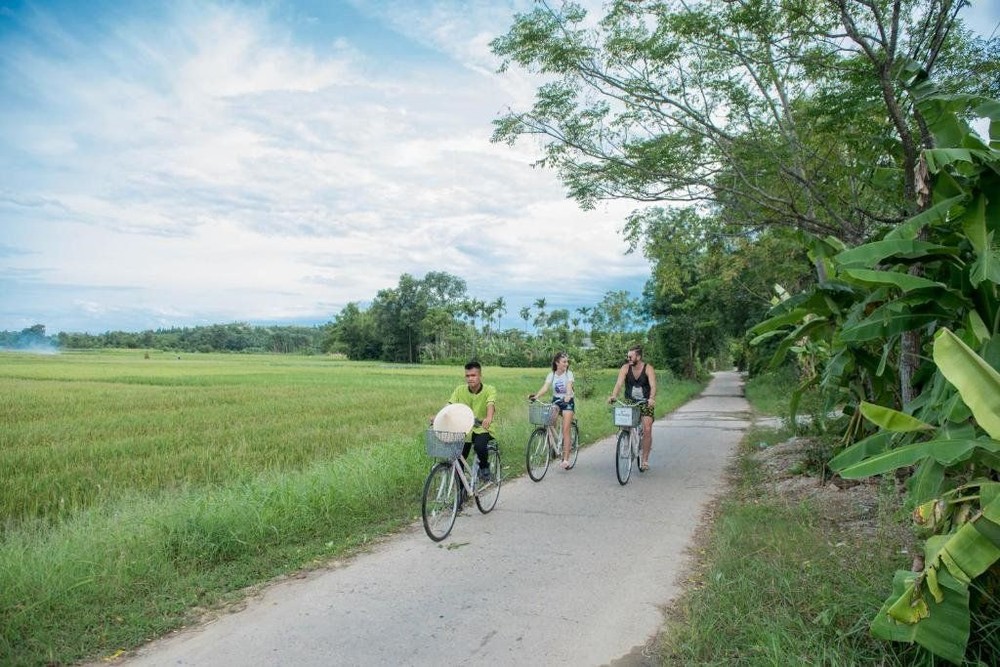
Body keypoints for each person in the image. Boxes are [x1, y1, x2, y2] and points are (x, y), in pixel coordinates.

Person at [607, 344, 657, 471]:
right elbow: (618, 383)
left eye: (631, 356)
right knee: (624, 424)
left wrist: (651, 398)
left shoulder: (648, 368)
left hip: (645, 402)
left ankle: (644, 460)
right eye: (628, 356)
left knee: (647, 428)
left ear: (638, 357)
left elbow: (653, 385)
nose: (628, 358)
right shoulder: (625, 368)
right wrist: (613, 395)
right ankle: (625, 441)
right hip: (630, 401)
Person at [447, 360, 497, 482]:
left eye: (473, 375)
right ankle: (461, 492)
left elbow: (490, 404)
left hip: (482, 427)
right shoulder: (459, 390)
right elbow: (449, 405)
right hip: (465, 429)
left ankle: (484, 468)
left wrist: (489, 417)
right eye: (467, 376)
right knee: (459, 458)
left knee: (480, 447)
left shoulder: (490, 390)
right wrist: (440, 416)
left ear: (480, 376)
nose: (470, 378)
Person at [528, 351, 575, 469]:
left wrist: (568, 395)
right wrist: (537, 396)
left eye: (567, 362)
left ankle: (566, 459)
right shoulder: (552, 375)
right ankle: (555, 446)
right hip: (556, 401)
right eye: (564, 361)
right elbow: (545, 387)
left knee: (565, 430)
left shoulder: (569, 374)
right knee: (549, 421)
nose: (566, 363)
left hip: (568, 402)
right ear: (557, 363)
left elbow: (569, 385)